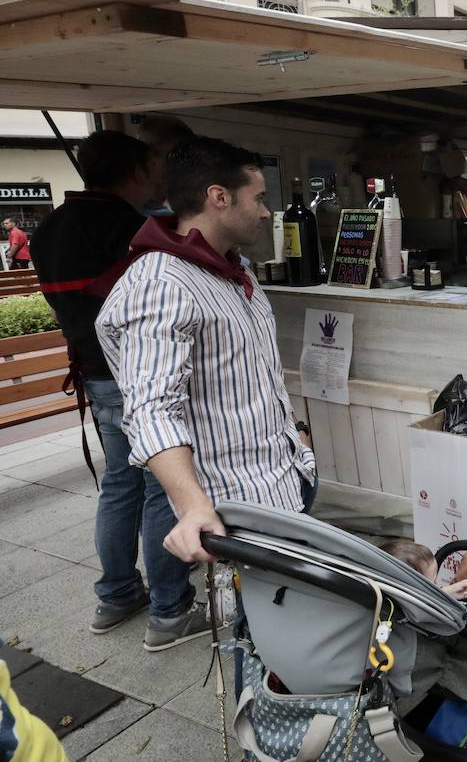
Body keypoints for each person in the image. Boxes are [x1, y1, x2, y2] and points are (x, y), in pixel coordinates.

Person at [96, 137, 316, 572]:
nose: (266, 211)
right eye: (258, 198)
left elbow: (248, 374)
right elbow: (151, 410)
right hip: (241, 509)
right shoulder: (161, 284)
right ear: (219, 197)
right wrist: (194, 507)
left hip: (284, 479)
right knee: (259, 623)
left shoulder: (235, 268)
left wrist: (295, 434)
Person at [30, 131, 205, 651]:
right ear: (135, 172)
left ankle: (116, 595)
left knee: (119, 486)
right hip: (137, 377)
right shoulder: (134, 228)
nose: (158, 178)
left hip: (93, 373)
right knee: (160, 490)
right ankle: (170, 612)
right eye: (154, 168)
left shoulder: (49, 229)